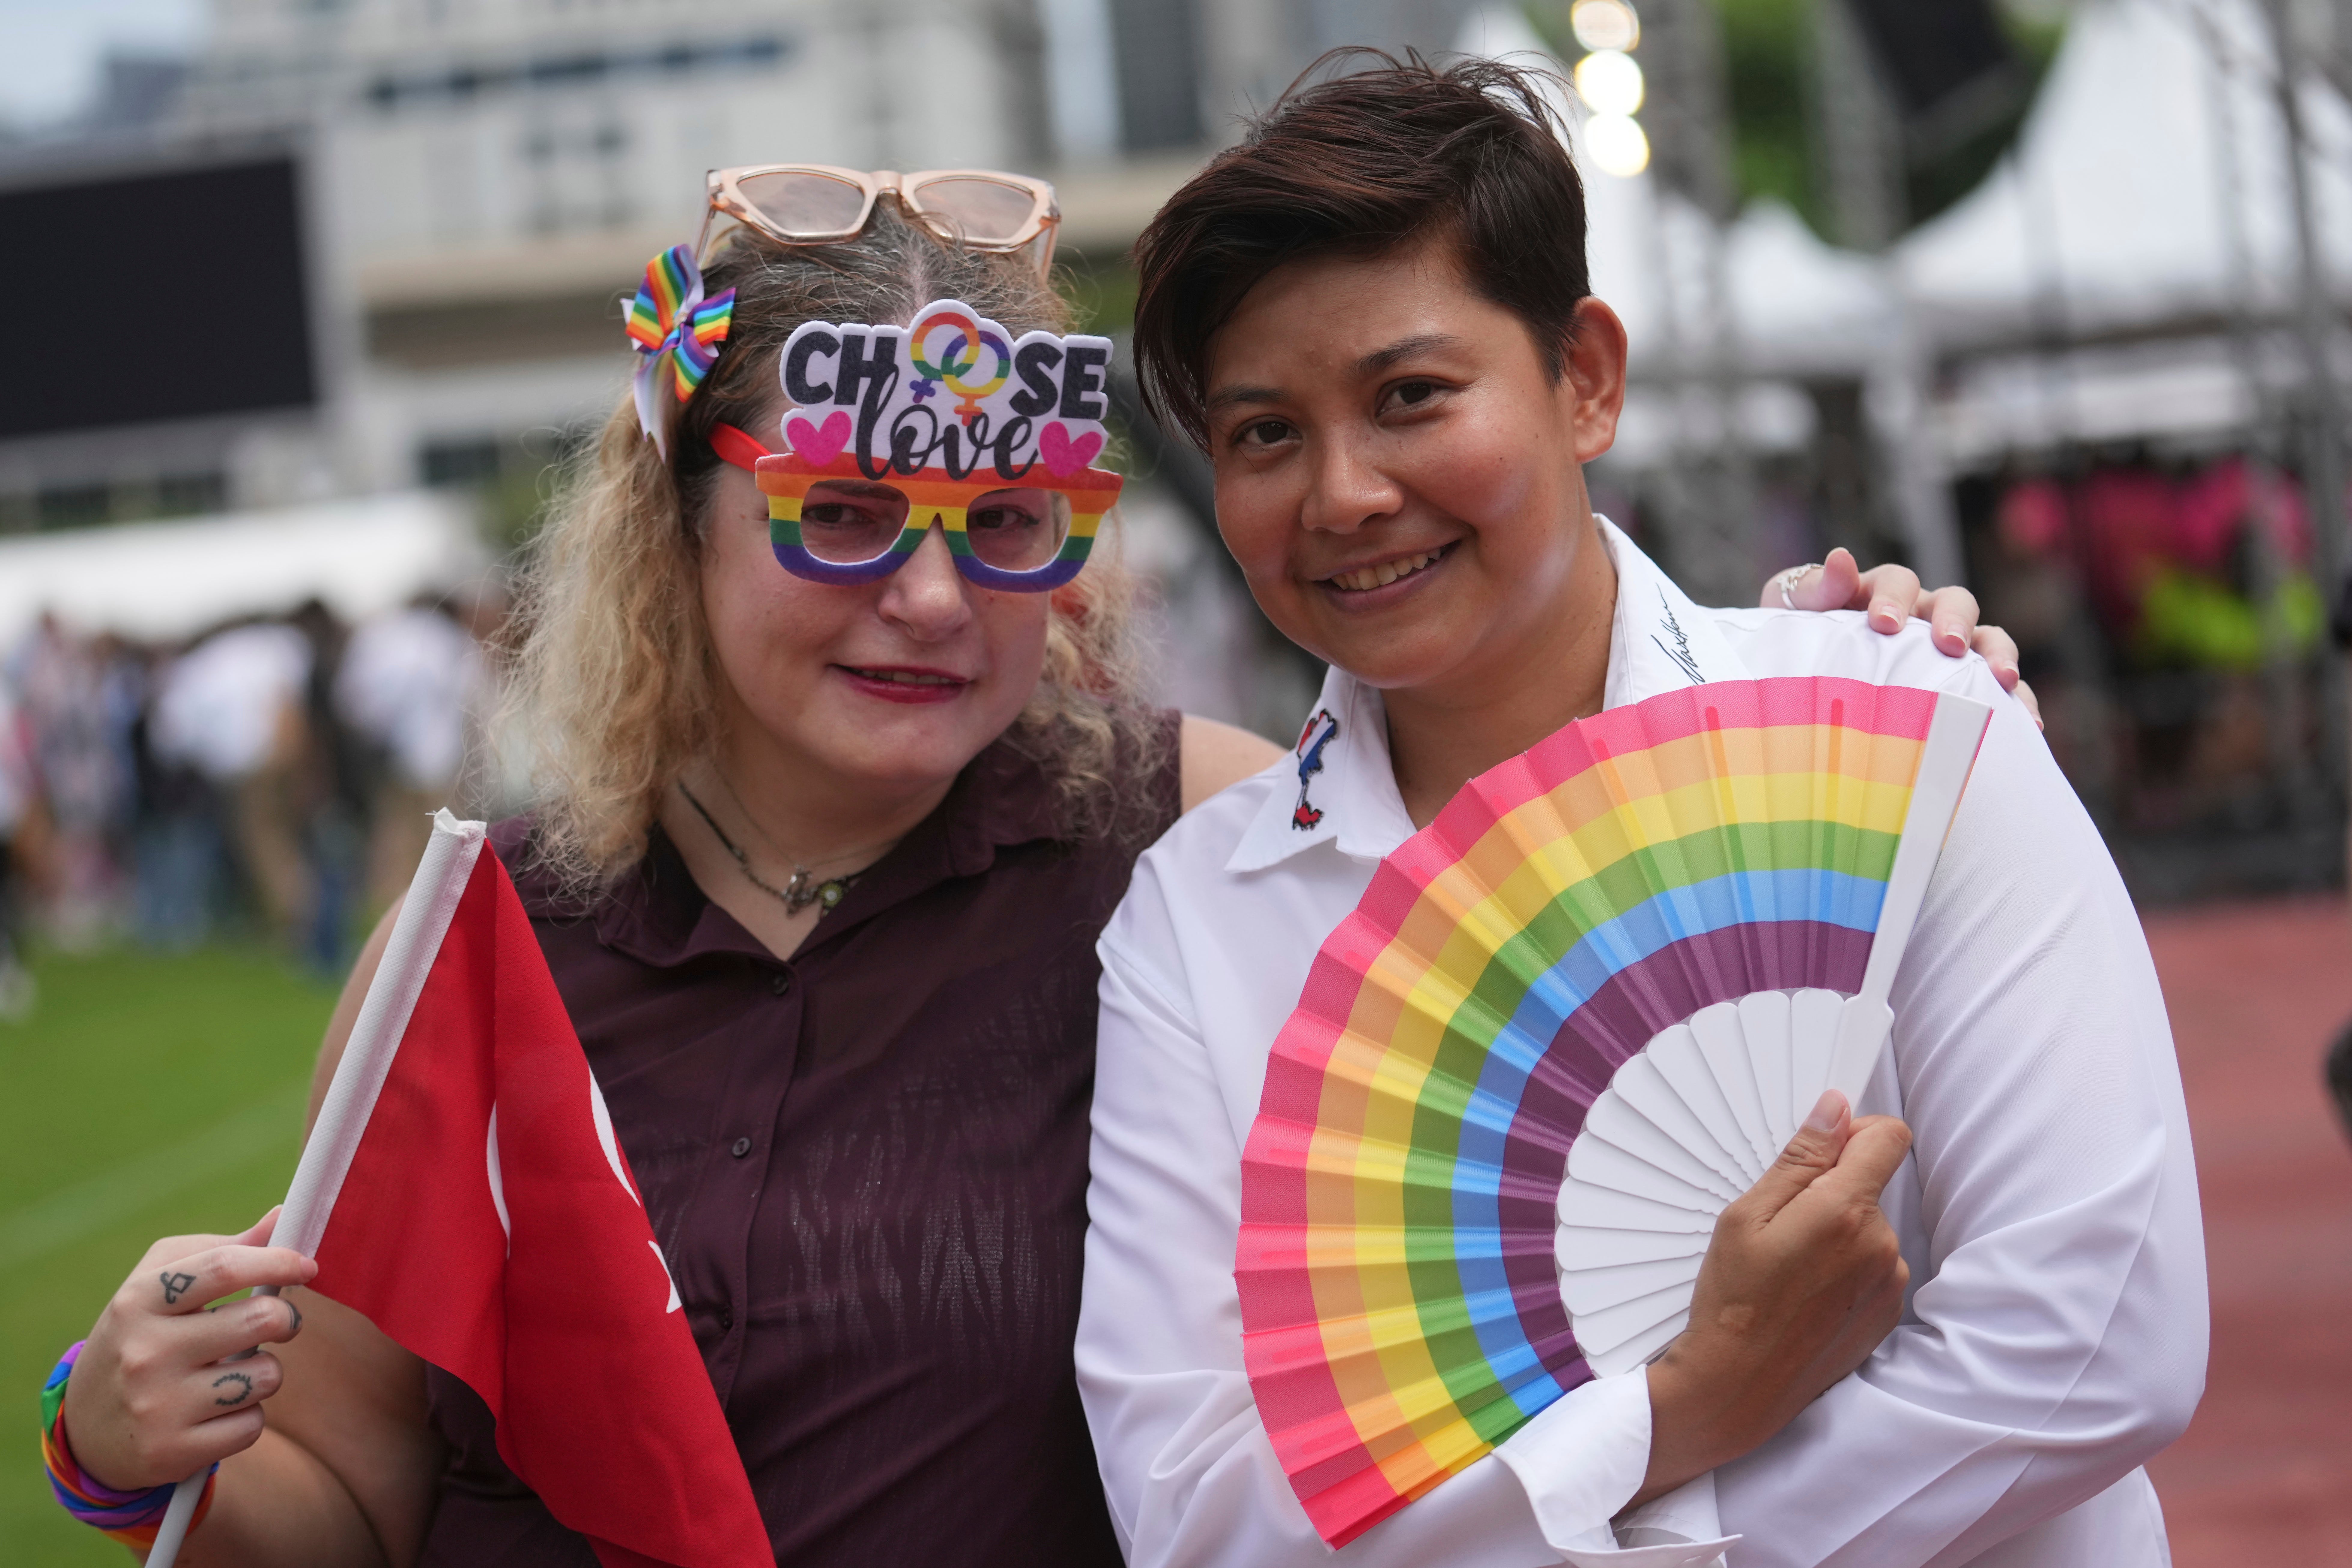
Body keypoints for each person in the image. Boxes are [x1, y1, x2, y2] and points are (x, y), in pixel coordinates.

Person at [51, 164, 2021, 1566]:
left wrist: (1795, 685)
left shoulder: (1195, 838)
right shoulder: (477, 933)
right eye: (838, 514)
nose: (927, 597)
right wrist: (131, 1433)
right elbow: (332, 1495)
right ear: (676, 526)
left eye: (1007, 522)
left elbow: (1611, 985)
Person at [1078, 57, 2204, 1568]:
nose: (1342, 493)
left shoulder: (1909, 721)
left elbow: (2098, 1342)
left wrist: (1646, 1513)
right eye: (1264, 434)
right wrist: (1689, 1402)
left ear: (1586, 378)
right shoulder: (1195, 921)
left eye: (1411, 396)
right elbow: (1199, 1518)